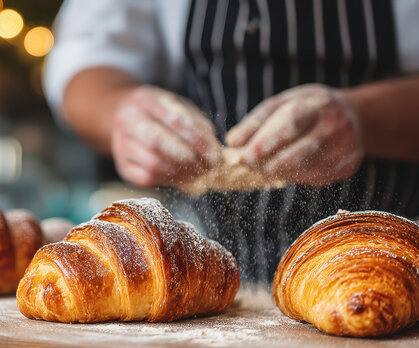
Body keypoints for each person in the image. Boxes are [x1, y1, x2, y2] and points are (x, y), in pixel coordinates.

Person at [43, 0, 419, 281]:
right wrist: (119, 112)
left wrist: (366, 118)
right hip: (216, 280)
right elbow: (86, 55)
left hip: (394, 273)